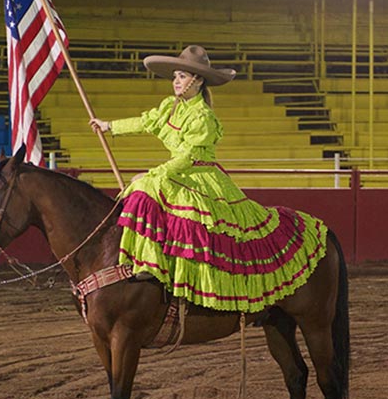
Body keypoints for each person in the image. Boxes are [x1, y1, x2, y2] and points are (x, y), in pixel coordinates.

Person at [88, 45, 328, 313]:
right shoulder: (170, 106)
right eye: (175, 76)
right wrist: (110, 126)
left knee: (147, 187)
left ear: (197, 80)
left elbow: (188, 156)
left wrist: (155, 173)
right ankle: (140, 258)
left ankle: (157, 268)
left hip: (198, 172)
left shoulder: (203, 116)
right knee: (143, 190)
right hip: (179, 170)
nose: (176, 82)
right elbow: (147, 121)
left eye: (182, 76)